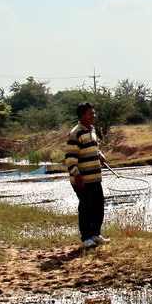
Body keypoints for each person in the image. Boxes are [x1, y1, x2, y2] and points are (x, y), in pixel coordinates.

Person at [65, 102, 109, 248]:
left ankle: (96, 234)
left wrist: (100, 155)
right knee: (86, 207)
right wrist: (77, 176)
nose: (94, 116)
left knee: (98, 206)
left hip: (95, 178)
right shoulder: (75, 133)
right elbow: (70, 159)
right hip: (82, 180)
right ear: (83, 115)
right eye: (91, 113)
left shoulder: (92, 130)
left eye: (93, 113)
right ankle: (86, 238)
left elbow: (95, 148)